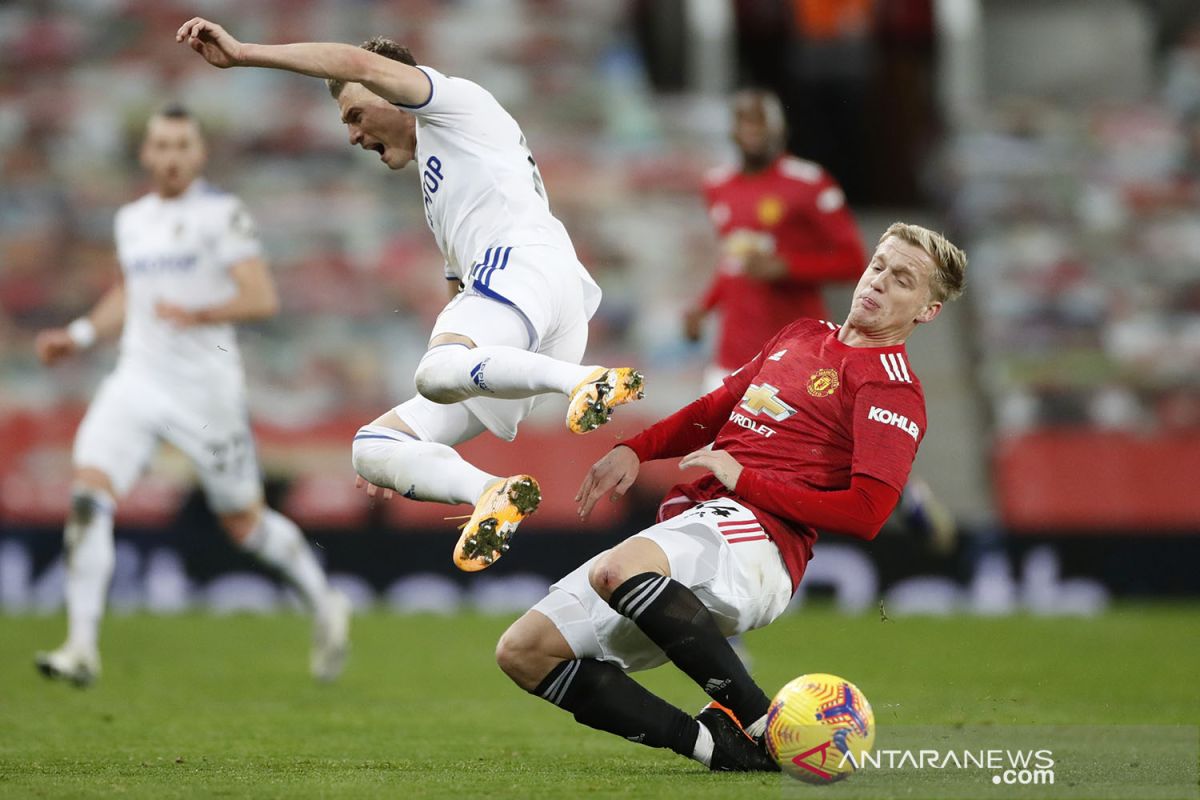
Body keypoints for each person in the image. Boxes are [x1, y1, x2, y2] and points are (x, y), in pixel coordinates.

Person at [177, 19, 644, 572]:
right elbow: (460, 292)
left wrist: (244, 53)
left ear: (393, 92)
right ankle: (493, 492)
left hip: (525, 264)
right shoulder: (441, 175)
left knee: (436, 367)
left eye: (354, 115)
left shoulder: (452, 103)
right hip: (533, 309)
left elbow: (356, 63)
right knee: (374, 447)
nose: (352, 135)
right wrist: (411, 458)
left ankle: (585, 383)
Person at [496, 223, 967, 770]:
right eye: (880, 265)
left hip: (761, 542)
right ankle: (714, 747)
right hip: (703, 521)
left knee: (617, 571)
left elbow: (868, 513)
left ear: (926, 311)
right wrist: (636, 448)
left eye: (902, 279)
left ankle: (766, 723)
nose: (879, 282)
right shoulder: (801, 334)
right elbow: (715, 408)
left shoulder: (891, 388)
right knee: (524, 652)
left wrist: (746, 481)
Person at [33, 106, 350, 687]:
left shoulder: (221, 216)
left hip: (205, 390)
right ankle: (80, 646)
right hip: (136, 378)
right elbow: (131, 291)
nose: (172, 156)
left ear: (199, 155)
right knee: (88, 496)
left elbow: (260, 298)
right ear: (146, 154)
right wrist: (77, 334)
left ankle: (324, 601)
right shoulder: (132, 219)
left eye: (182, 145)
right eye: (162, 145)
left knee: (244, 524)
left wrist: (199, 312)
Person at [684, 89, 865, 394]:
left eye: (760, 121)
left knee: (789, 441)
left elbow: (853, 262)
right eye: (744, 121)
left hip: (796, 353)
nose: (752, 129)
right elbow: (733, 262)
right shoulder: (718, 185)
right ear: (732, 129)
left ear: (780, 128)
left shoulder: (808, 183)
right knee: (716, 441)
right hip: (732, 355)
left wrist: (788, 266)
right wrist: (705, 307)